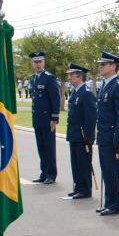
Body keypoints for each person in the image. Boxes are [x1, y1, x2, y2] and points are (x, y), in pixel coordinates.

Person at [96, 51, 119, 216]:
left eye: (103, 64)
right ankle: (109, 202)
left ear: (113, 66)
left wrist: (118, 137)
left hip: (112, 137)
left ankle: (115, 204)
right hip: (103, 136)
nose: (100, 67)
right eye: (100, 64)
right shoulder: (105, 84)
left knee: (113, 171)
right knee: (106, 170)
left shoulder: (118, 86)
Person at [64, 63, 97, 199]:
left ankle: (85, 189)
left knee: (83, 163)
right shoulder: (74, 92)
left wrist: (89, 135)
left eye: (72, 76)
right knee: (75, 162)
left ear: (80, 77)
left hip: (83, 134)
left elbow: (91, 117)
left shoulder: (86, 94)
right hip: (73, 133)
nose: (70, 78)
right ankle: (78, 186)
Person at [29, 51, 60, 184]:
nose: (38, 64)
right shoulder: (33, 78)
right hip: (37, 119)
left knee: (49, 147)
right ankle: (44, 172)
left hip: (47, 119)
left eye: (40, 61)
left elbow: (55, 99)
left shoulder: (49, 78)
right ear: (32, 63)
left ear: (44, 62)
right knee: (41, 147)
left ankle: (51, 174)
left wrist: (54, 118)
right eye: (35, 62)